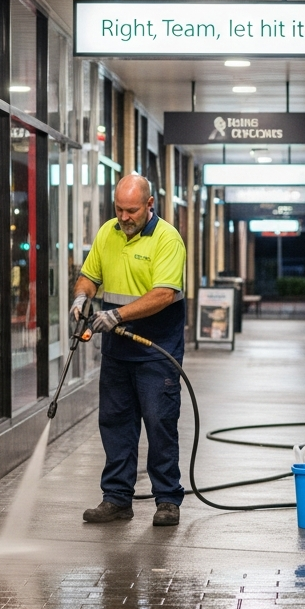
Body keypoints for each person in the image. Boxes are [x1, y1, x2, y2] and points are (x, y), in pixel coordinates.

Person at [70, 174, 189, 527]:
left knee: (159, 423)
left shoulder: (167, 239)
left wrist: (116, 315)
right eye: (119, 209)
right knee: (116, 424)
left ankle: (167, 499)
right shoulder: (108, 233)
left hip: (156, 351)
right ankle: (117, 498)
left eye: (132, 210)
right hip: (117, 352)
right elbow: (89, 275)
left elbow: (164, 293)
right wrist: (82, 296)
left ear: (149, 205)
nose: (124, 217)